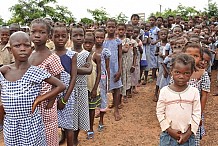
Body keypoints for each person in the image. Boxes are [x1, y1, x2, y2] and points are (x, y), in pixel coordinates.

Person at [0, 31, 65, 146]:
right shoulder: (5, 71)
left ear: (31, 49)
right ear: (10, 50)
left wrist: (40, 99)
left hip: (31, 124)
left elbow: (61, 86)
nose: (22, 49)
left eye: (26, 45)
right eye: (17, 46)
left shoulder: (35, 71)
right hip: (11, 124)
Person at [29, 18, 65, 146]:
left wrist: (50, 102)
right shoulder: (29, 54)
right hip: (31, 104)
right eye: (33, 31)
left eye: (42, 32)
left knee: (48, 135)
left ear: (49, 36)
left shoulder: (52, 57)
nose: (37, 35)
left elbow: (58, 83)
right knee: (34, 134)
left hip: (46, 104)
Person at [156, 53, 201, 146]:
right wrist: (169, 130)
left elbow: (197, 114)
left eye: (186, 73)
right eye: (177, 72)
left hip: (188, 137)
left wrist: (189, 133)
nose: (181, 76)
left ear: (191, 73)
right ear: (171, 71)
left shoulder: (194, 92)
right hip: (168, 136)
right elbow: (160, 112)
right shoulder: (164, 91)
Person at [52, 22, 78, 146]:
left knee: (69, 125)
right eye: (57, 36)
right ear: (51, 37)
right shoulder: (49, 55)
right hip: (52, 94)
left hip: (67, 95)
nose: (60, 39)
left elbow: (73, 78)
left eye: (63, 36)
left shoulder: (72, 55)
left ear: (68, 37)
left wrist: (64, 99)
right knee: (52, 123)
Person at [182, 43, 210, 146]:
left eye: (196, 56)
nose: (192, 58)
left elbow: (204, 96)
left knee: (193, 136)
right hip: (179, 111)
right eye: (189, 55)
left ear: (201, 58)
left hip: (195, 111)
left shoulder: (203, 74)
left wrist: (198, 116)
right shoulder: (177, 73)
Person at [70, 25, 92, 146]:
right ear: (70, 36)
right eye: (75, 35)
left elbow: (89, 70)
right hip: (69, 88)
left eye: (81, 35)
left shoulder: (86, 53)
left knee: (80, 115)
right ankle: (68, 137)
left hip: (82, 88)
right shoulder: (67, 52)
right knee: (69, 114)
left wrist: (72, 69)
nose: (78, 38)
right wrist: (80, 68)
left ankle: (75, 138)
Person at [103, 19, 123, 121]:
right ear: (106, 27)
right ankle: (101, 108)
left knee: (116, 88)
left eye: (113, 27)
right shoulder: (103, 41)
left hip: (115, 67)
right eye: (109, 26)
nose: (111, 29)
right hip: (104, 67)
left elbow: (120, 56)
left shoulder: (118, 41)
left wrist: (120, 70)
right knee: (102, 88)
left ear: (115, 28)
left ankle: (116, 109)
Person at [83, 32, 101, 139]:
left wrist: (95, 88)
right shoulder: (78, 55)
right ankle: (82, 126)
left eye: (90, 43)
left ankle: (90, 128)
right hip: (81, 87)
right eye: (86, 43)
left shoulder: (96, 56)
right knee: (82, 108)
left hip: (92, 87)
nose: (88, 45)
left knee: (91, 108)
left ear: (94, 43)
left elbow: (99, 73)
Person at [94, 28, 111, 131]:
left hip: (102, 77)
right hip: (91, 77)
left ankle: (101, 120)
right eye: (97, 37)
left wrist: (107, 80)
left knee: (103, 97)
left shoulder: (105, 51)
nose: (99, 39)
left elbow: (107, 66)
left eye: (101, 37)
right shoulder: (90, 50)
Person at [153, 28, 171, 102]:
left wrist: (164, 56)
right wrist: (159, 54)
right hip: (161, 63)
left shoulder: (169, 44)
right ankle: (156, 93)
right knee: (160, 78)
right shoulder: (158, 44)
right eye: (161, 34)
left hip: (168, 63)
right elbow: (155, 52)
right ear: (159, 35)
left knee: (168, 78)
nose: (163, 35)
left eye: (165, 34)